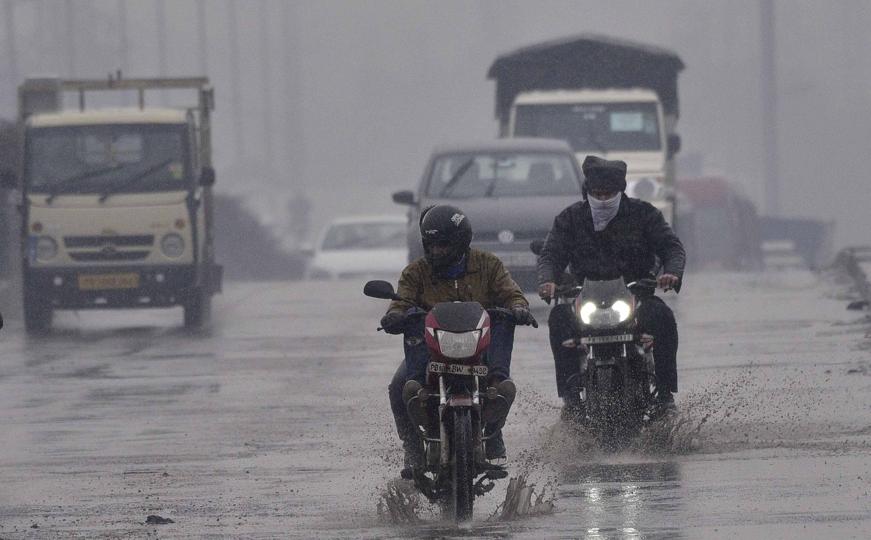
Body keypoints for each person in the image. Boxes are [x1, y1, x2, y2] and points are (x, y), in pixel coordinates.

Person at [382, 204, 536, 473]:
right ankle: (414, 447)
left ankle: (493, 425)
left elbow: (512, 293)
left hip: (479, 350)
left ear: (461, 242)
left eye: (442, 245)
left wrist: (519, 308)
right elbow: (401, 301)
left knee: (502, 325)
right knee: (398, 387)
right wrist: (395, 315)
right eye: (430, 245)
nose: (436, 251)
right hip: (430, 352)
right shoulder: (415, 272)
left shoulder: (489, 265)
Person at [537, 155, 686, 419]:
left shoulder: (645, 214)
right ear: (588, 192)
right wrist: (548, 280)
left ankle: (664, 395)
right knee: (559, 318)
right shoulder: (570, 219)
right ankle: (571, 398)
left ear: (621, 191)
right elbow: (551, 254)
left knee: (662, 317)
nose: (603, 199)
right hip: (586, 299)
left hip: (635, 297)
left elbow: (671, 247)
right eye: (597, 193)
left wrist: (671, 273)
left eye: (609, 193)